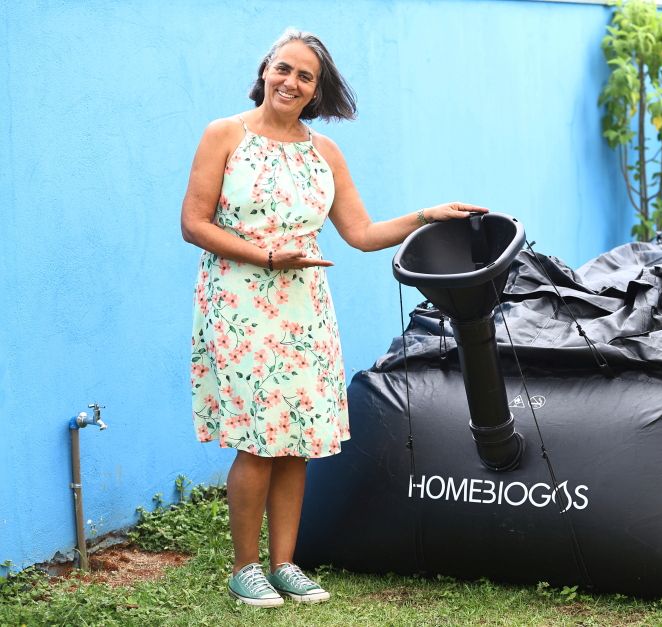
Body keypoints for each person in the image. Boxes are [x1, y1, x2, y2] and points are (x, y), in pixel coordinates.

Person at [180, 28, 485, 608]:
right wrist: (269, 255)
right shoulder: (224, 135)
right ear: (264, 70)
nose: (290, 82)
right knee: (257, 441)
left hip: (305, 307)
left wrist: (430, 214)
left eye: (304, 76)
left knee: (296, 440)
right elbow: (195, 223)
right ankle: (246, 568)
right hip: (240, 302)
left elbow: (362, 234)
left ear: (316, 91)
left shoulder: (325, 153)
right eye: (283, 69)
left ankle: (285, 564)